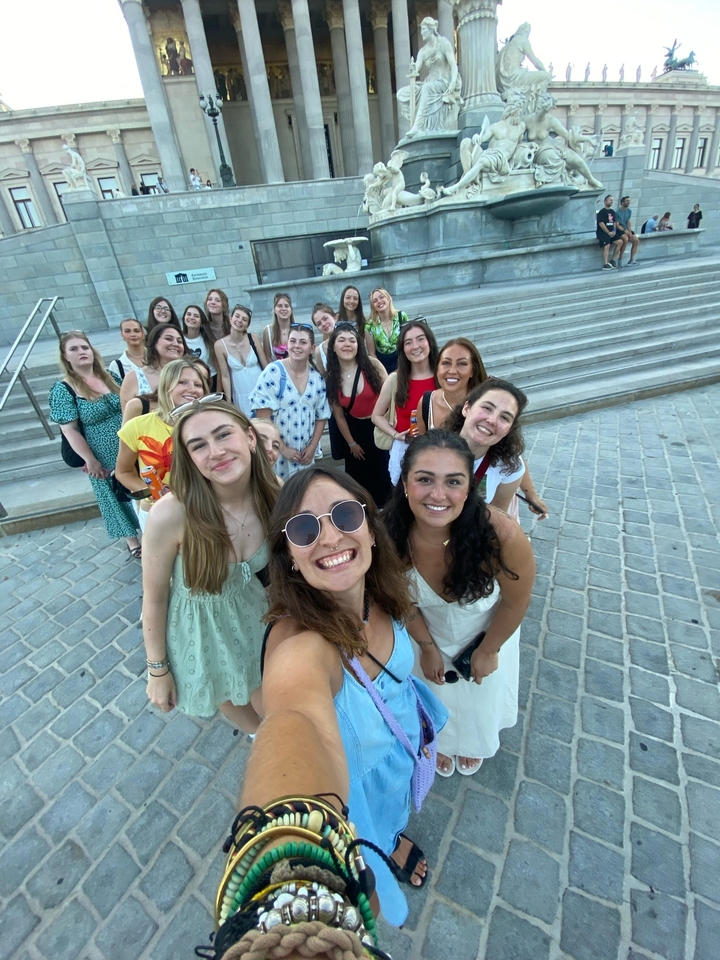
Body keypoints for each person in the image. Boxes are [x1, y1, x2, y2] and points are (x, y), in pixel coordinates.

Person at [261, 466, 448, 923]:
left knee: (395, 816)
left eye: (344, 515)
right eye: (304, 528)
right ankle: (384, 847)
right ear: (288, 555)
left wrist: (427, 648)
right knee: (374, 833)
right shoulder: (297, 645)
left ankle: (394, 838)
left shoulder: (380, 591)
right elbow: (292, 722)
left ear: (370, 529)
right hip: (355, 793)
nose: (328, 538)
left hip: (398, 752)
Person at [384, 430, 535, 776]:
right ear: (405, 483)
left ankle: (472, 741)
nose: (438, 495)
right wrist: (425, 646)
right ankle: (442, 740)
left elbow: (516, 601)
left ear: (469, 488)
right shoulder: (388, 536)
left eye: (453, 481)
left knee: (479, 696)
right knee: (434, 693)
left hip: (486, 633)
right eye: (425, 480)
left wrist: (489, 650)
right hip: (425, 632)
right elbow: (399, 600)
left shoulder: (502, 535)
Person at [141, 399, 278, 731]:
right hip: (200, 632)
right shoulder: (172, 514)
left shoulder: (275, 497)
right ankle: (257, 739)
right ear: (189, 459)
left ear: (249, 437)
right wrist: (157, 670)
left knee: (278, 711)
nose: (215, 452)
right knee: (231, 698)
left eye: (223, 435)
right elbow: (154, 598)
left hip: (257, 620)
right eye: (198, 445)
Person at [49, 331, 141, 557]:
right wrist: (90, 459)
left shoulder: (110, 377)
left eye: (84, 347)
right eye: (74, 349)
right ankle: (132, 540)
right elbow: (69, 430)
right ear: (65, 357)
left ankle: (150, 529)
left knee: (138, 485)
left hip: (129, 445)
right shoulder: (64, 389)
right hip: (101, 453)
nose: (81, 352)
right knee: (114, 493)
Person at [115, 359, 210, 530]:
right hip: (157, 514)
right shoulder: (137, 426)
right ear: (166, 385)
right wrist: (152, 491)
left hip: (203, 508)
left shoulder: (209, 425)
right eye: (182, 382)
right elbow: (124, 471)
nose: (192, 389)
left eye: (198, 384)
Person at [446, 377, 549, 520]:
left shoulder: (509, 466)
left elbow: (494, 521)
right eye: (487, 408)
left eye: (505, 417)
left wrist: (530, 493)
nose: (492, 420)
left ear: (509, 430)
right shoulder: (429, 450)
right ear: (467, 408)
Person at [250, 322, 330, 481]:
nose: (297, 346)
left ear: (312, 348)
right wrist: (283, 448)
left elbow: (321, 416)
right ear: (287, 345)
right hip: (276, 453)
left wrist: (312, 447)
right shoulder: (273, 373)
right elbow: (263, 419)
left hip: (304, 455)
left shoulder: (317, 379)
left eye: (303, 342)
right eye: (293, 341)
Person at [326, 322, 390, 505]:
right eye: (341, 340)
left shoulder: (373, 365)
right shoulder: (332, 377)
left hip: (380, 426)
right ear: (333, 346)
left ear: (358, 344)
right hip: (354, 430)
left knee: (384, 474)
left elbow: (392, 394)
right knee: (358, 481)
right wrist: (351, 443)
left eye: (352, 340)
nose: (347, 344)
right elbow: (338, 415)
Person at [372, 319, 438, 485]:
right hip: (405, 449)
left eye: (420, 339)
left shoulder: (443, 377)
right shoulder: (395, 379)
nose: (415, 346)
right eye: (408, 342)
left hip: (438, 449)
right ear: (403, 349)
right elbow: (376, 415)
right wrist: (394, 435)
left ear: (430, 342)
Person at [415, 337, 487, 433]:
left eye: (462, 364)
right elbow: (422, 446)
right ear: (437, 368)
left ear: (472, 371)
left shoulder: (485, 406)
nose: (452, 371)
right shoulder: (426, 403)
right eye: (446, 363)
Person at [119, 323, 188, 412]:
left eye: (180, 341)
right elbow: (127, 421)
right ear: (154, 342)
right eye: (168, 339)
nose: (175, 344)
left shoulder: (189, 374)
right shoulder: (134, 377)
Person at [214, 303, 268, 417]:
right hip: (240, 394)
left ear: (247, 325)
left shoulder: (253, 338)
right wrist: (228, 402)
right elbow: (225, 376)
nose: (239, 320)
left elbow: (265, 366)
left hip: (260, 391)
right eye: (237, 316)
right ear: (230, 318)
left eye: (244, 319)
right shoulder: (219, 345)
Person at [365, 288, 409, 374]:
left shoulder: (402, 316)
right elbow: (372, 354)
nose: (379, 301)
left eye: (382, 297)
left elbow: (408, 342)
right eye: (375, 300)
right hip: (382, 366)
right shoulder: (369, 325)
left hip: (403, 362)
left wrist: (402, 368)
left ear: (388, 298)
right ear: (372, 306)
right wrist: (382, 373)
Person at [262, 292, 295, 361]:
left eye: (286, 306)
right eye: (279, 306)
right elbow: (267, 357)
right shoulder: (268, 331)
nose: (283, 309)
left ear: (291, 310)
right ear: (274, 310)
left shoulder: (298, 329)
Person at [181, 304, 213, 369]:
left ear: (201, 322)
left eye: (196, 316)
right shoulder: (178, 339)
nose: (192, 317)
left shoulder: (208, 339)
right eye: (188, 314)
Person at [596, 194, 623, 270]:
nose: (611, 202)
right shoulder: (601, 212)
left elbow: (614, 222)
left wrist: (614, 230)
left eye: (612, 200)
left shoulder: (612, 212)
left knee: (620, 242)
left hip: (611, 232)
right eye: (610, 200)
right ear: (605, 201)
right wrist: (608, 232)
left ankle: (613, 260)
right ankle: (605, 263)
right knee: (607, 245)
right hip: (603, 232)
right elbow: (601, 223)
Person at [310, 302, 337, 376]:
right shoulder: (319, 351)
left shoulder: (350, 338)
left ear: (334, 317)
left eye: (325, 318)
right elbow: (323, 378)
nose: (323, 324)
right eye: (319, 324)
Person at [614, 195, 640, 266]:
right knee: (625, 239)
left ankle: (632, 260)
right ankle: (621, 258)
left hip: (626, 229)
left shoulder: (629, 211)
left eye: (629, 201)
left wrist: (630, 231)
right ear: (622, 203)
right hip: (620, 229)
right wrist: (625, 230)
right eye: (627, 201)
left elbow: (628, 221)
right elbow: (617, 224)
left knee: (636, 241)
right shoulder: (617, 212)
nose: (628, 202)